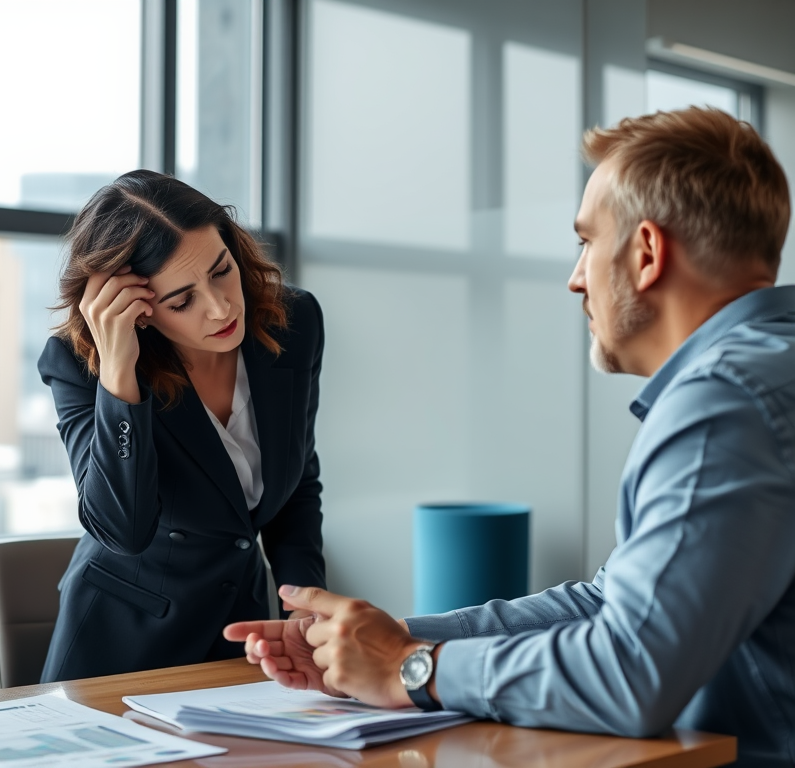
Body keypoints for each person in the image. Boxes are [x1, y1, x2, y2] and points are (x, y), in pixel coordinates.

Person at [225, 107, 795, 767]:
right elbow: (613, 603)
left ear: (645, 252)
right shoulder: (766, 372)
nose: (576, 277)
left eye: (586, 241)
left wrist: (412, 668)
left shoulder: (723, 402)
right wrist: (385, 639)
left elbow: (631, 673)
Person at [39, 170, 326, 682]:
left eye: (221, 271)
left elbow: (297, 479)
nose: (221, 308)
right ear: (136, 310)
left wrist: (303, 605)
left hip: (244, 634)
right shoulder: (78, 363)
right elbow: (122, 530)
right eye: (181, 301)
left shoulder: (293, 321)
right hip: (120, 648)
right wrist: (119, 376)